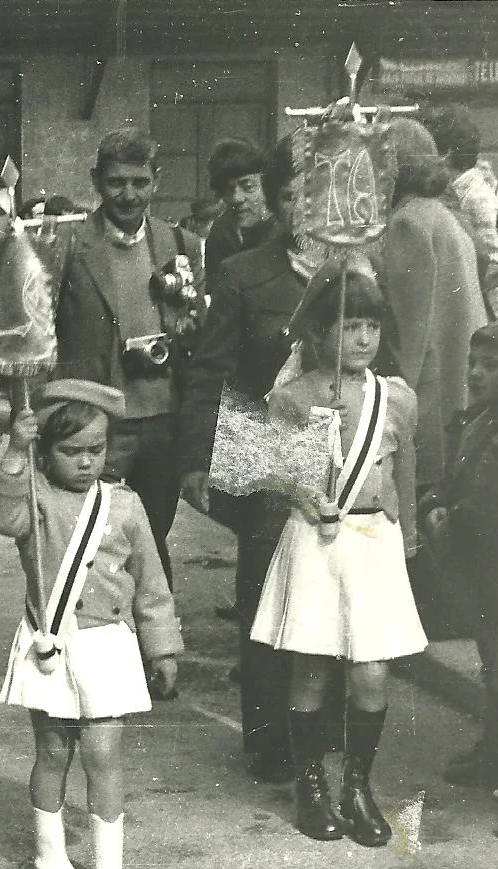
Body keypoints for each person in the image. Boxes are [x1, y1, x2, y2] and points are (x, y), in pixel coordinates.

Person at [0, 379, 181, 869]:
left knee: (104, 755)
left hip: (109, 646)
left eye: (96, 449)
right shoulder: (34, 498)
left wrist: (162, 648)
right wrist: (14, 451)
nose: (87, 461)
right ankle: (50, 855)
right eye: (71, 451)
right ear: (46, 452)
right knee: (53, 751)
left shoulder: (125, 505)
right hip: (53, 640)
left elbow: (151, 584)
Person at [250, 256, 425, 846]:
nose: (364, 338)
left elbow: (405, 471)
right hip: (317, 539)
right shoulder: (293, 396)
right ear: (319, 332)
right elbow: (274, 474)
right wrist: (307, 492)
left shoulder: (396, 397)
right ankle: (311, 787)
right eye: (350, 326)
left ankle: (358, 786)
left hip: (374, 541)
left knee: (372, 673)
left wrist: (409, 539)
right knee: (314, 666)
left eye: (372, 326)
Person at [178, 133, 306, 782]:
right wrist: (196, 457)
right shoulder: (245, 272)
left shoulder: (361, 274)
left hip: (341, 465)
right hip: (269, 459)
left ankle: (325, 730)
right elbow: (210, 370)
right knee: (266, 593)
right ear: (278, 201)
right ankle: (268, 735)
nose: (310, 208)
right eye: (296, 196)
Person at [46, 129, 205, 584]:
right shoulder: (68, 245)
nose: (129, 195)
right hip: (96, 423)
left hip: (163, 421)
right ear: (96, 181)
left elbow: (196, 330)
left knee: (151, 537)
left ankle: (153, 626)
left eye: (140, 182)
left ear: (157, 180)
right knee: (93, 537)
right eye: (117, 182)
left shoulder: (181, 244)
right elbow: (42, 335)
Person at [423, 319, 498, 792]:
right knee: (491, 651)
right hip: (476, 554)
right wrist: (435, 504)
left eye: (492, 366)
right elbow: (453, 475)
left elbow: (494, 491)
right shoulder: (476, 417)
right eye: (473, 364)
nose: (477, 374)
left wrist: (455, 515)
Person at [380, 117, 487, 493]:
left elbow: (411, 334)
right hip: (461, 382)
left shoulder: (407, 223)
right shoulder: (441, 214)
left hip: (432, 394)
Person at [421, 106, 498, 319]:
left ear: (446, 153)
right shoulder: (458, 189)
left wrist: (465, 287)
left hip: (486, 312)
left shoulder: (476, 196)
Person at [202, 139, 275, 276]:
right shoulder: (220, 233)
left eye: (248, 187)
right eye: (228, 189)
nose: (236, 198)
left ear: (267, 186)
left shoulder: (286, 230)